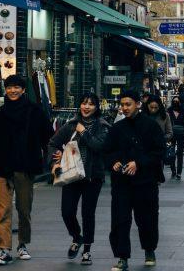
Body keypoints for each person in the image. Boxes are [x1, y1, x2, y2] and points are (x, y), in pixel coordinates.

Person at [0, 75, 53, 266]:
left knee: (24, 209)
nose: (12, 91)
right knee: (3, 210)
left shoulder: (35, 111)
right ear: (5, 90)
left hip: (25, 167)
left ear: (23, 89)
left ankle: (22, 244)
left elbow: (49, 136)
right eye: (9, 88)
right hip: (3, 168)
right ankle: (4, 250)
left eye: (16, 87)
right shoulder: (0, 113)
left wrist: (53, 159)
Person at [106, 90, 166, 270]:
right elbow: (108, 150)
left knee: (147, 218)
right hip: (121, 182)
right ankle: (122, 257)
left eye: (128, 104)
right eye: (122, 105)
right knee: (120, 220)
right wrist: (114, 162)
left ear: (138, 104)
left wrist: (138, 163)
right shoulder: (117, 128)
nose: (124, 108)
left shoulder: (151, 126)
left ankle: (149, 249)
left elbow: (159, 151)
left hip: (145, 181)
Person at [47, 92, 110, 266]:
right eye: (83, 103)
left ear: (96, 107)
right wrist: (55, 158)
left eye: (91, 104)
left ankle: (87, 251)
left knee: (88, 214)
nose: (86, 107)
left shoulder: (103, 126)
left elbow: (99, 146)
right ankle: (77, 237)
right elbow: (53, 142)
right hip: (71, 175)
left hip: (92, 177)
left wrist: (84, 133)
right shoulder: (70, 125)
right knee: (67, 211)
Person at [144, 95, 173, 177]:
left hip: (158, 148)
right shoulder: (142, 116)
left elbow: (170, 133)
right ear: (147, 106)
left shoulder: (165, 116)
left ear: (159, 106)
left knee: (156, 174)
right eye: (151, 107)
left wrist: (160, 139)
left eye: (155, 107)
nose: (153, 110)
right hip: (145, 148)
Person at [167, 96, 184, 180]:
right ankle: (173, 170)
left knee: (180, 153)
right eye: (174, 101)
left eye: (177, 101)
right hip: (171, 134)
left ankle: (179, 172)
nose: (175, 102)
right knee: (171, 153)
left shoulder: (183, 110)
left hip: (181, 134)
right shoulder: (169, 110)